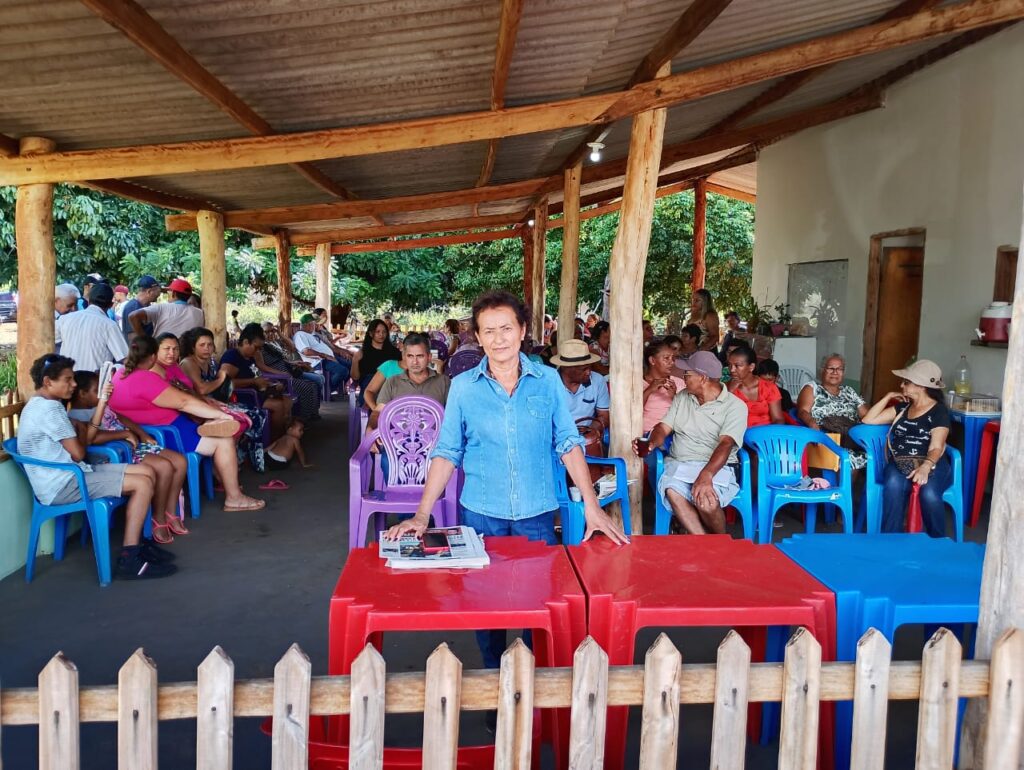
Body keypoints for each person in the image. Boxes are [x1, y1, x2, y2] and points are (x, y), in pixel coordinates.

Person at [384, 292, 627, 668]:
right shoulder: (464, 386)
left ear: (523, 331)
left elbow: (568, 443)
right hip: (482, 514)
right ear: (478, 338)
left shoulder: (547, 381)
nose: (499, 339)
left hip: (537, 513)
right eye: (489, 331)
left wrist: (592, 508)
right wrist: (421, 515)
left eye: (506, 329)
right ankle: (495, 680)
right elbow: (447, 452)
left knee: (538, 607)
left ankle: (533, 686)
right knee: (486, 606)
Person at [18, 354, 175, 579]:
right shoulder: (50, 410)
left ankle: (142, 544)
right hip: (63, 484)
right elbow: (80, 452)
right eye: (67, 379)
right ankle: (130, 557)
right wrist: (81, 430)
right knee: (142, 483)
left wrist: (81, 428)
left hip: (71, 474)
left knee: (148, 471)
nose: (73, 384)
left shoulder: (42, 405)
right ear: (47, 382)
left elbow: (79, 446)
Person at [108, 337, 265, 512]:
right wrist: (221, 415)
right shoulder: (144, 378)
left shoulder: (120, 374)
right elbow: (183, 402)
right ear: (153, 356)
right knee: (224, 439)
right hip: (169, 434)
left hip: (151, 431)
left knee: (218, 428)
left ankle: (219, 471)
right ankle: (234, 498)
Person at [69, 370, 189, 544]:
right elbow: (92, 438)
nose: (103, 394)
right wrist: (122, 434)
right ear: (81, 394)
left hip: (130, 446)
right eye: (97, 390)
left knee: (180, 461)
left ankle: (170, 511)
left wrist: (140, 433)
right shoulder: (77, 417)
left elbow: (122, 418)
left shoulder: (101, 406)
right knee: (165, 467)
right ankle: (158, 517)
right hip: (117, 454)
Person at [636, 351, 747, 535]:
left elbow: (726, 444)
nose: (684, 378)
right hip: (681, 463)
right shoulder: (682, 398)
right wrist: (651, 444)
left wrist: (706, 475)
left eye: (687, 375)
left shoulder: (735, 406)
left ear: (703, 378)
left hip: (716, 467)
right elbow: (663, 428)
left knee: (706, 501)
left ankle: (720, 543)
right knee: (672, 490)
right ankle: (706, 542)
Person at [861, 359, 952, 537]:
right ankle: (892, 540)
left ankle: (938, 541)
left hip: (932, 461)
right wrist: (888, 397)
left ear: (921, 386)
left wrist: (926, 467)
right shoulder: (902, 408)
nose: (901, 385)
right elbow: (867, 420)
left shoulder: (938, 411)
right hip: (901, 461)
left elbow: (937, 446)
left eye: (906, 382)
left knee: (929, 495)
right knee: (893, 485)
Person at [178, 327, 267, 471]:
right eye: (202, 345)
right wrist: (221, 379)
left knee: (257, 414)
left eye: (210, 344)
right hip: (198, 409)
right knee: (248, 416)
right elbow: (202, 389)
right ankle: (226, 464)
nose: (207, 348)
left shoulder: (210, 362)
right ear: (192, 346)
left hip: (214, 403)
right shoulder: (189, 363)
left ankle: (237, 458)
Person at [219, 323, 292, 440]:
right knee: (278, 406)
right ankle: (274, 440)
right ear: (246, 342)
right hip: (241, 396)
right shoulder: (232, 357)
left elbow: (257, 374)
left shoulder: (249, 356)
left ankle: (280, 436)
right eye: (256, 347)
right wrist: (253, 381)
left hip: (254, 392)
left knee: (288, 401)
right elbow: (224, 383)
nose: (258, 351)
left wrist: (269, 384)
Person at [796, 355, 868, 468]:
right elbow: (802, 411)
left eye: (839, 369)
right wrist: (811, 422)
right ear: (822, 370)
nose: (835, 372)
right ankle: (846, 486)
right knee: (850, 458)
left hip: (850, 439)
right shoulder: (812, 388)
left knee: (872, 455)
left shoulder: (849, 391)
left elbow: (866, 416)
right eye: (830, 368)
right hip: (825, 439)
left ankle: (854, 485)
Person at [368, 333, 451, 430]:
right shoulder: (392, 382)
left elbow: (453, 415)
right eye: (410, 356)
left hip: (436, 441)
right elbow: (378, 412)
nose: (415, 362)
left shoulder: (444, 382)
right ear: (404, 357)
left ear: (429, 357)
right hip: (397, 440)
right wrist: (371, 429)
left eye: (420, 356)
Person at [54, 283, 129, 372]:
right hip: (94, 383)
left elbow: (47, 340)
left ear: (89, 300)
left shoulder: (64, 319)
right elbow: (126, 359)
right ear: (110, 304)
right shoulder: (109, 325)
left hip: (68, 381)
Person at [257, 324, 322, 421]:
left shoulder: (270, 345)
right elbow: (263, 367)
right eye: (266, 332)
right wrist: (280, 373)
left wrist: (294, 362)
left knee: (313, 385)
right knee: (307, 387)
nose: (269, 334)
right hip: (279, 378)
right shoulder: (259, 348)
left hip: (289, 373)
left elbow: (291, 348)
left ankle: (311, 414)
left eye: (271, 331)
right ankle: (303, 419)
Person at [293, 313, 350, 397]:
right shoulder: (300, 335)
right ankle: (326, 389)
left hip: (329, 357)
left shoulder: (312, 334)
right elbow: (306, 351)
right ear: (308, 325)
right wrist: (325, 355)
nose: (315, 326)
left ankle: (333, 388)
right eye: (313, 324)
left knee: (350, 365)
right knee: (343, 371)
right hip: (320, 360)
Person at [727, 345, 784, 427]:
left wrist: (768, 435)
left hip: (765, 435)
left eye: (737, 366)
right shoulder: (727, 388)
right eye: (730, 365)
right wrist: (730, 392)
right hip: (737, 435)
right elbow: (720, 417)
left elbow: (778, 419)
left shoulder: (769, 387)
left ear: (751, 367)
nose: (732, 370)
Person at [128, 278, 204, 339]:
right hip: (187, 354)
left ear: (173, 293)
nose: (168, 293)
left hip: (163, 353)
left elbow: (133, 316)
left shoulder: (161, 308)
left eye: (169, 291)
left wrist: (145, 340)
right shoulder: (200, 313)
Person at [643, 340, 686, 434]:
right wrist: (649, 390)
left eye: (673, 358)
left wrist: (674, 397)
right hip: (643, 436)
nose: (672, 362)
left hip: (671, 436)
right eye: (666, 358)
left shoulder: (678, 383)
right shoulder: (637, 384)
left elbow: (687, 415)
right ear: (652, 360)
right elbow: (630, 412)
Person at [351, 318, 402, 397]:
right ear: (371, 334)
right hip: (369, 388)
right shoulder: (363, 352)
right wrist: (355, 360)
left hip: (390, 387)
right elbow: (355, 377)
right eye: (377, 332)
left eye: (384, 332)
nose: (381, 334)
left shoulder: (393, 352)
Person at [120, 275, 162, 341]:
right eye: (158, 292)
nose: (159, 295)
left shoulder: (146, 306)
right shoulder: (132, 307)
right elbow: (132, 336)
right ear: (149, 292)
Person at [687, 288, 720, 353]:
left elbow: (715, 336)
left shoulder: (710, 315)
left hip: (706, 352)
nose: (694, 302)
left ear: (705, 302)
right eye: (693, 299)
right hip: (693, 352)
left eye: (697, 300)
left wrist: (701, 349)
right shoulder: (693, 315)